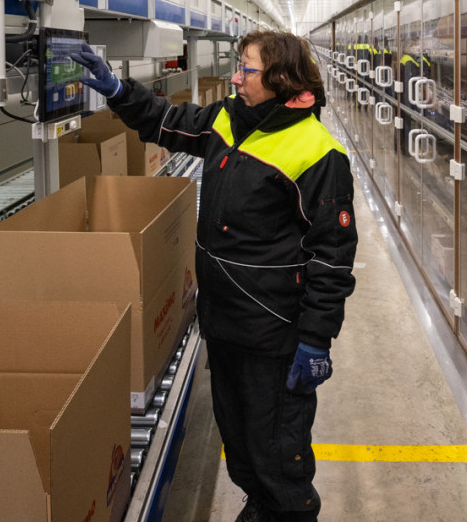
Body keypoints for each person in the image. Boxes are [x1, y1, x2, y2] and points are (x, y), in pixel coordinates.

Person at [70, 31, 357, 522]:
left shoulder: (318, 153)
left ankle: (285, 510)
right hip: (223, 323)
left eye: (247, 69)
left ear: (281, 78)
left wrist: (316, 339)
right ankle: (261, 507)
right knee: (241, 444)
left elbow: (331, 258)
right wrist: (118, 91)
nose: (236, 77)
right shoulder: (228, 118)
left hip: (273, 335)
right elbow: (167, 122)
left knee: (277, 455)